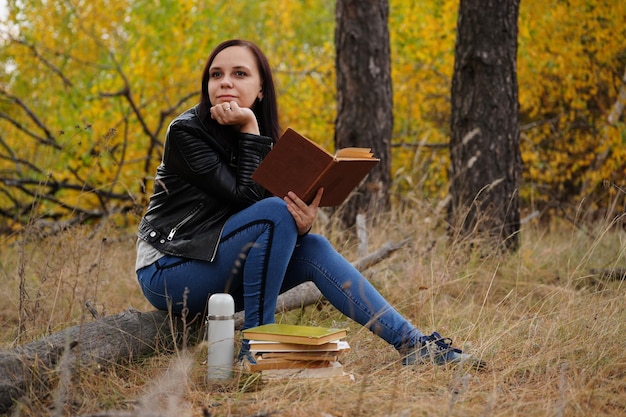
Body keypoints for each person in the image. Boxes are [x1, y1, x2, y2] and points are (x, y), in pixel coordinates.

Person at [135, 39, 481, 367]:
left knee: (313, 246)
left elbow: (261, 223)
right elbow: (250, 203)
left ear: (260, 90)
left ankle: (414, 345)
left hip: (219, 263)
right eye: (216, 74)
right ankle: (257, 350)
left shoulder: (260, 139)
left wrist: (301, 222)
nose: (225, 82)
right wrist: (251, 128)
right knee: (273, 213)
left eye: (239, 74)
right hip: (170, 269)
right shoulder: (187, 132)